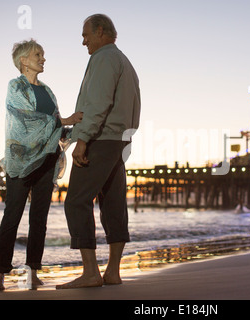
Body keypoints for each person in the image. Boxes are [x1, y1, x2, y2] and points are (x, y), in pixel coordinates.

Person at [0, 39, 83, 291]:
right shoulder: (15, 86)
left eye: (43, 55)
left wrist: (76, 128)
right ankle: (0, 273)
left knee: (39, 218)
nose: (43, 59)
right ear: (23, 61)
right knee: (12, 216)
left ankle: (32, 270)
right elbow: (26, 120)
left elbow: (54, 129)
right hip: (20, 162)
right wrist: (64, 119)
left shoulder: (48, 90)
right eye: (37, 55)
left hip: (47, 161)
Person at [57, 14, 140, 289]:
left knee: (77, 201)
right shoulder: (125, 62)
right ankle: (113, 272)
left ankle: (91, 272)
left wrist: (83, 140)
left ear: (101, 32)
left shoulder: (103, 59)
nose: (84, 42)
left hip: (101, 138)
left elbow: (98, 103)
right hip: (118, 141)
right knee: (114, 204)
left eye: (86, 35)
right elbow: (134, 108)